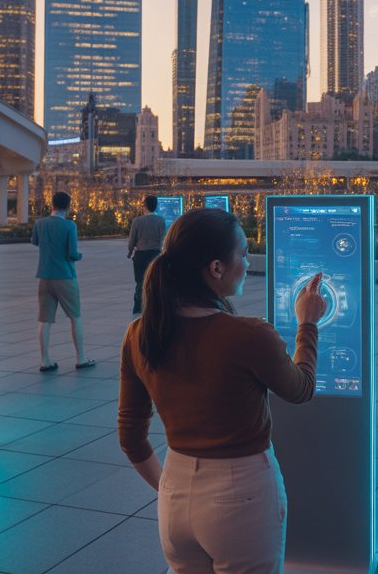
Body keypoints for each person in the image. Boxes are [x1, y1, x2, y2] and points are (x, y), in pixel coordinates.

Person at [117, 207, 327, 574]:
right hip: (241, 495)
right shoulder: (249, 335)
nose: (248, 262)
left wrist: (171, 487)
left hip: (175, 496)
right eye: (243, 254)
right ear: (216, 268)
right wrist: (307, 324)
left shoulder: (139, 334)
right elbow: (301, 389)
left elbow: (130, 438)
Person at [32, 191, 92, 372]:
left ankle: (45, 361)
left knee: (44, 320)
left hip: (45, 276)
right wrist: (79, 256)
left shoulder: (39, 223)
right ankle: (81, 358)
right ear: (67, 206)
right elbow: (72, 253)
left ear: (52, 204)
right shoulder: (69, 226)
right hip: (65, 276)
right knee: (75, 317)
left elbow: (35, 241)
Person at [127, 195, 166, 314]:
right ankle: (155, 306)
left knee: (140, 282)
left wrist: (130, 252)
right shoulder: (160, 221)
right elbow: (163, 239)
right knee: (155, 281)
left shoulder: (137, 221)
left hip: (140, 255)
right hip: (155, 255)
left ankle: (138, 308)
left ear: (145, 206)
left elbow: (132, 240)